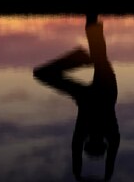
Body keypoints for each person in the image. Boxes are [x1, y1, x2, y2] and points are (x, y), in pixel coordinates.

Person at [33, 16, 120, 180]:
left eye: (91, 140)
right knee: (99, 54)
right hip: (105, 92)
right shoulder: (109, 133)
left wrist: (79, 175)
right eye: (97, 140)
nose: (95, 136)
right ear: (101, 141)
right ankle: (91, 18)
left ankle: (79, 58)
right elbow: (107, 156)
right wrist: (87, 176)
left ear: (89, 140)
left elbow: (77, 150)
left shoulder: (87, 131)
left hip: (87, 97)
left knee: (41, 74)